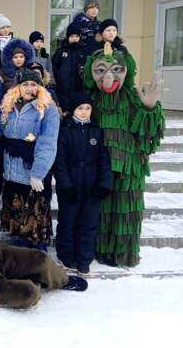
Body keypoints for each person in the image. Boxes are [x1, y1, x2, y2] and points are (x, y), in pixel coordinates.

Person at [83, 41, 164, 267]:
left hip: (130, 166)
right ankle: (101, 250)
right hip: (102, 166)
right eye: (100, 70)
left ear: (125, 70)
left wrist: (150, 108)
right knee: (103, 210)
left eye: (116, 69)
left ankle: (122, 254)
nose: (108, 76)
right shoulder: (91, 100)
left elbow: (149, 134)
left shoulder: (132, 96)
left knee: (125, 210)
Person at [0, 69, 59, 251]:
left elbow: (48, 143)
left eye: (34, 84)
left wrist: (38, 173)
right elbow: (0, 138)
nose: (29, 88)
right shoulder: (9, 106)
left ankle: (39, 267)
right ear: (17, 87)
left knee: (35, 231)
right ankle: (23, 266)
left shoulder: (47, 110)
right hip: (12, 177)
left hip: (32, 177)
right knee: (20, 232)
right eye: (25, 84)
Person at [54, 92, 113, 275]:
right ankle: (66, 255)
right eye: (80, 108)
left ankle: (84, 258)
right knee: (68, 222)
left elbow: (104, 159)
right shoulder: (65, 130)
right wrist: (65, 185)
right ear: (73, 110)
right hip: (71, 185)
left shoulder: (96, 130)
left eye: (88, 108)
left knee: (88, 224)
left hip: (91, 186)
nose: (84, 112)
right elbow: (60, 161)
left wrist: (104, 184)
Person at [52, 22, 92, 114]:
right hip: (62, 89)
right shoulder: (61, 51)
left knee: (77, 110)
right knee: (64, 111)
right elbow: (54, 67)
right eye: (72, 36)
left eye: (76, 36)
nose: (74, 39)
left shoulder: (84, 51)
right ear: (68, 37)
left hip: (79, 88)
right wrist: (58, 81)